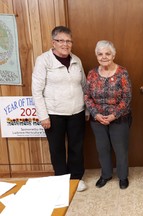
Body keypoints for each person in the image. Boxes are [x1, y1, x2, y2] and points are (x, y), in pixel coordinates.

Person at [32, 26, 87, 192]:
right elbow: (36, 90)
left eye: (69, 41)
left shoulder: (76, 60)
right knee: (57, 149)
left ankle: (76, 179)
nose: (65, 44)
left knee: (76, 147)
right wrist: (43, 116)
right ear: (53, 42)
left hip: (76, 111)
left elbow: (84, 86)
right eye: (61, 40)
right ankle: (61, 180)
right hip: (53, 114)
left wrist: (87, 111)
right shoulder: (44, 60)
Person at [84, 40, 132, 189]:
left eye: (107, 53)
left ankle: (123, 176)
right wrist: (96, 114)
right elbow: (87, 96)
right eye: (100, 54)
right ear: (96, 55)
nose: (104, 57)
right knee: (102, 148)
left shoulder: (122, 73)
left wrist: (114, 115)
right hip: (97, 119)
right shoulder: (92, 74)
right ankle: (106, 175)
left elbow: (127, 97)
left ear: (113, 55)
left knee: (120, 149)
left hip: (119, 119)